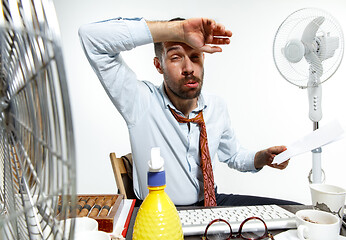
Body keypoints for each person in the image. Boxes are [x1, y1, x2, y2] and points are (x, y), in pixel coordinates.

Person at [78, 17, 300, 206]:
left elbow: (233, 155)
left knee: (294, 212)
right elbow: (91, 37)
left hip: (211, 203)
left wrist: (261, 158)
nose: (189, 68)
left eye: (195, 56)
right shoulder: (140, 101)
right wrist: (178, 30)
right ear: (158, 65)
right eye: (175, 57)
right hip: (161, 214)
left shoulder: (217, 107)